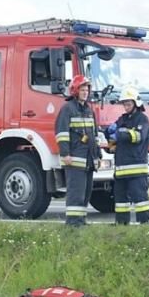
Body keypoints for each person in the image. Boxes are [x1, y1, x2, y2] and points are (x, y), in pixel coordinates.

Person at [55, 75, 101, 226]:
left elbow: (94, 135)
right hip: (74, 159)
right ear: (75, 90)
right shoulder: (67, 109)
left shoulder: (89, 110)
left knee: (86, 192)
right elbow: (62, 133)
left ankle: (80, 221)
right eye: (82, 90)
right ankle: (73, 223)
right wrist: (65, 153)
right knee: (76, 192)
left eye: (87, 90)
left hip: (88, 160)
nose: (85, 92)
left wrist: (98, 155)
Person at [109, 85, 149, 224]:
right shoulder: (123, 119)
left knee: (140, 199)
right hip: (121, 168)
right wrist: (109, 133)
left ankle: (144, 223)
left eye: (128, 104)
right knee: (120, 200)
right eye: (124, 104)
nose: (126, 107)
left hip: (136, 168)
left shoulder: (142, 119)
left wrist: (119, 133)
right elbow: (110, 134)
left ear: (136, 103)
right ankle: (121, 224)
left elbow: (138, 136)